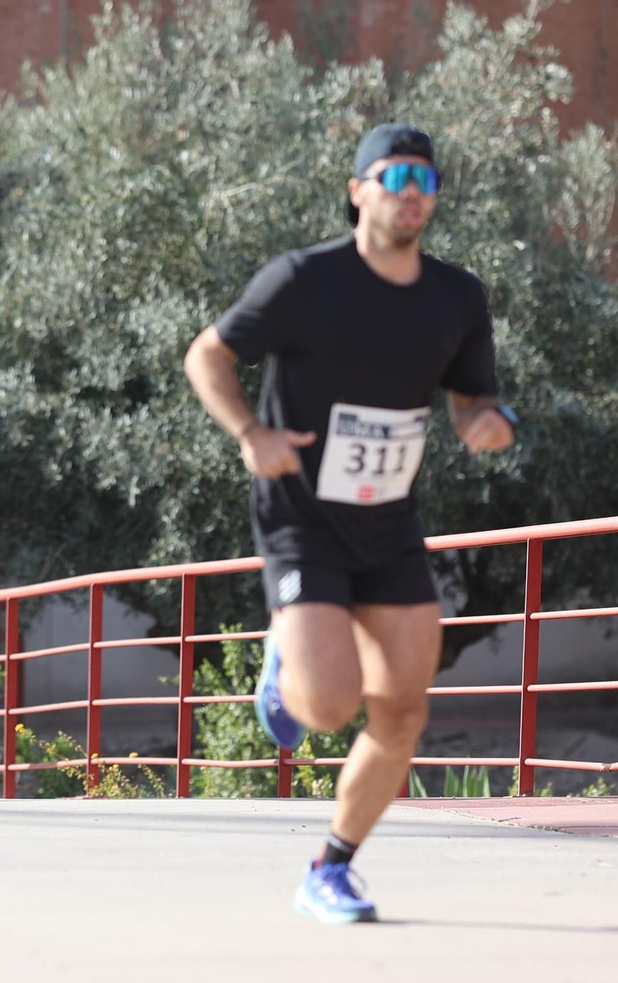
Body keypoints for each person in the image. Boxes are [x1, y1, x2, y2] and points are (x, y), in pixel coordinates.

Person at [183, 124, 516, 923]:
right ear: (359, 188)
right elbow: (208, 356)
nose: (412, 190)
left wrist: (483, 422)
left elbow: (472, 396)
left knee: (403, 710)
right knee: (329, 707)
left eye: (426, 180)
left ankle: (330, 868)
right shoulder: (304, 281)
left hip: (390, 523)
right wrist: (250, 434)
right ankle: (288, 662)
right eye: (395, 175)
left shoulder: (456, 296)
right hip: (302, 517)